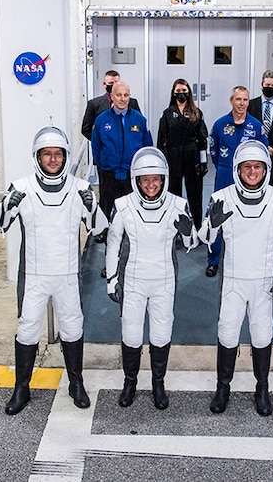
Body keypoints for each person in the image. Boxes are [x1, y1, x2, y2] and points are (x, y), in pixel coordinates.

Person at [0, 126, 107, 415]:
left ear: (65, 157)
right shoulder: (22, 187)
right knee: (27, 330)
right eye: (47, 155)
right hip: (34, 276)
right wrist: (7, 204)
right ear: (37, 157)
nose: (53, 160)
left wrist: (92, 206)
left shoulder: (79, 189)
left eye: (58, 154)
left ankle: (75, 384)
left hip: (68, 276)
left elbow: (100, 229)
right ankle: (21, 388)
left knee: (72, 328)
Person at [198, 140, 273, 416]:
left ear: (266, 169)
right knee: (227, 332)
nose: (252, 172)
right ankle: (223, 386)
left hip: (264, 282)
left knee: (262, 334)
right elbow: (204, 239)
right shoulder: (221, 198)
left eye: (257, 166)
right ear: (237, 169)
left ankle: (262, 388)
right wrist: (211, 225)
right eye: (247, 167)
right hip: (233, 280)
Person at [105, 147, 198, 410]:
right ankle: (130, 382)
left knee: (161, 332)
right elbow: (112, 245)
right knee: (131, 334)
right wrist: (112, 279)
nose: (151, 185)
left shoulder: (178, 204)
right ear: (136, 180)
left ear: (164, 178)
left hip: (164, 280)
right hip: (133, 280)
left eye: (155, 179)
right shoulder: (122, 205)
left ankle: (158, 383)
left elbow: (192, 243)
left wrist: (189, 231)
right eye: (145, 180)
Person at [205, 86, 268, 277]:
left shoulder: (256, 126)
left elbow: (264, 152)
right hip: (224, 174)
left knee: (246, 218)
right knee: (216, 216)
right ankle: (213, 260)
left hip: (248, 178)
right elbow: (213, 150)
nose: (242, 104)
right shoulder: (219, 124)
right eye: (238, 99)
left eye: (245, 100)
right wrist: (224, 166)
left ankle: (244, 260)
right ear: (231, 100)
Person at [91, 81, 153, 229]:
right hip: (109, 174)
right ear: (112, 96)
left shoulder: (139, 119)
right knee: (109, 211)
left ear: (129, 97)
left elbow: (147, 146)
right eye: (118, 95)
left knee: (132, 212)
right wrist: (104, 165)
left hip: (131, 175)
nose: (122, 99)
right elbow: (96, 147)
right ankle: (107, 238)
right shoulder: (101, 120)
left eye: (126, 95)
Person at [157, 78, 209, 229]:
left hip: (192, 155)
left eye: (184, 91)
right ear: (173, 93)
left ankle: (198, 226)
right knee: (174, 192)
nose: (181, 94)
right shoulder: (167, 114)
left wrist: (203, 161)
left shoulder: (196, 113)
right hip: (173, 156)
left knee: (194, 192)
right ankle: (175, 226)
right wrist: (162, 162)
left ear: (189, 93)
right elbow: (161, 140)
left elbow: (202, 139)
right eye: (178, 91)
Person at [81, 70, 141, 141]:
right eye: (111, 83)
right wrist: (100, 141)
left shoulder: (132, 103)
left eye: (116, 83)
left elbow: (140, 124)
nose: (114, 86)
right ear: (104, 84)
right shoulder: (94, 104)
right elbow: (86, 129)